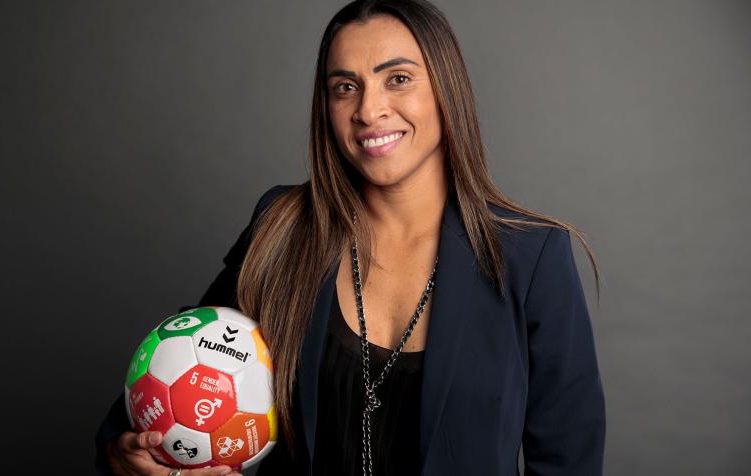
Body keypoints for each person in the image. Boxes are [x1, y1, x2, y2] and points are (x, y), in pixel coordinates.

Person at [96, 0, 606, 475]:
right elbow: (171, 370)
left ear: (445, 90)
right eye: (345, 87)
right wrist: (127, 453)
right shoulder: (282, 227)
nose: (368, 110)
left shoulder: (532, 257)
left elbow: (567, 459)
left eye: (398, 79)